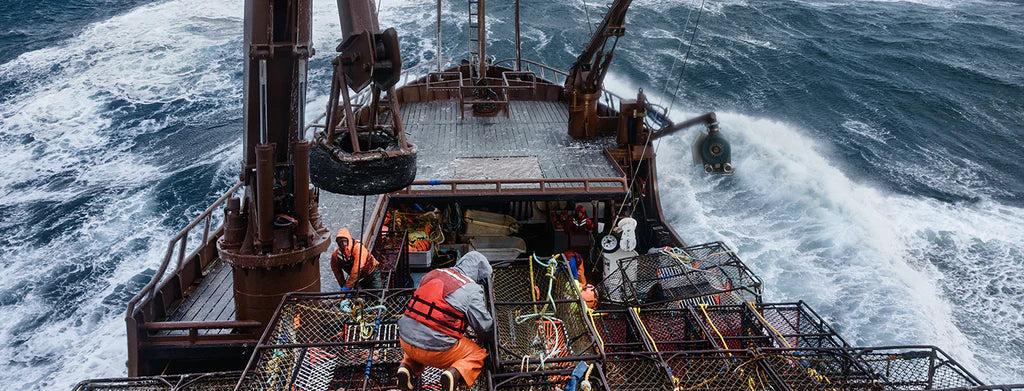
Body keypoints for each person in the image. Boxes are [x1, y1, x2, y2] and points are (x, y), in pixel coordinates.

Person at [397, 251, 493, 391]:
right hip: (435, 351)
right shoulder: (471, 289)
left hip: (406, 343)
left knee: (419, 336)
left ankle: (406, 367)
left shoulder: (434, 273)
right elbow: (484, 327)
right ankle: (454, 374)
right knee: (478, 354)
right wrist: (491, 340)